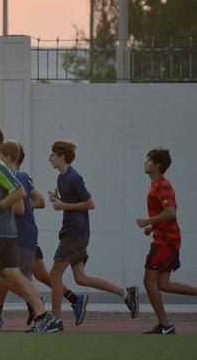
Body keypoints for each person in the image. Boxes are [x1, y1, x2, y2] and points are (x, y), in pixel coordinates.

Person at [0, 141, 87, 328]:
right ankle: (71, 299)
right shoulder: (20, 177)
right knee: (38, 274)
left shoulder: (17, 177)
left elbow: (26, 206)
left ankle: (31, 307)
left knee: (2, 273)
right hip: (25, 233)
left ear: (9, 158)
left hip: (20, 234)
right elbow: (36, 202)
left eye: (0, 157)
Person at [0, 126, 55, 333]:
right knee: (14, 274)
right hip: (6, 232)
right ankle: (43, 316)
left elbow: (20, 192)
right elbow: (3, 201)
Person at [47, 140, 138, 331]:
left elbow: (90, 204)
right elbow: (72, 203)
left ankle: (54, 321)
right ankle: (126, 295)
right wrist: (59, 200)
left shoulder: (74, 177)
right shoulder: (61, 178)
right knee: (81, 278)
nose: (50, 158)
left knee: (54, 275)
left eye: (53, 155)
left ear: (62, 156)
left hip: (76, 233)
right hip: (70, 232)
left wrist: (64, 205)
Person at [136, 148, 197, 335]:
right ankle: (165, 324)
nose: (145, 163)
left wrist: (148, 221)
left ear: (157, 165)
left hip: (166, 241)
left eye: (149, 161)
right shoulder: (155, 184)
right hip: (164, 237)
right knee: (163, 284)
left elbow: (170, 213)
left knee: (148, 280)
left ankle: (165, 325)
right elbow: (165, 215)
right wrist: (153, 227)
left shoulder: (162, 185)